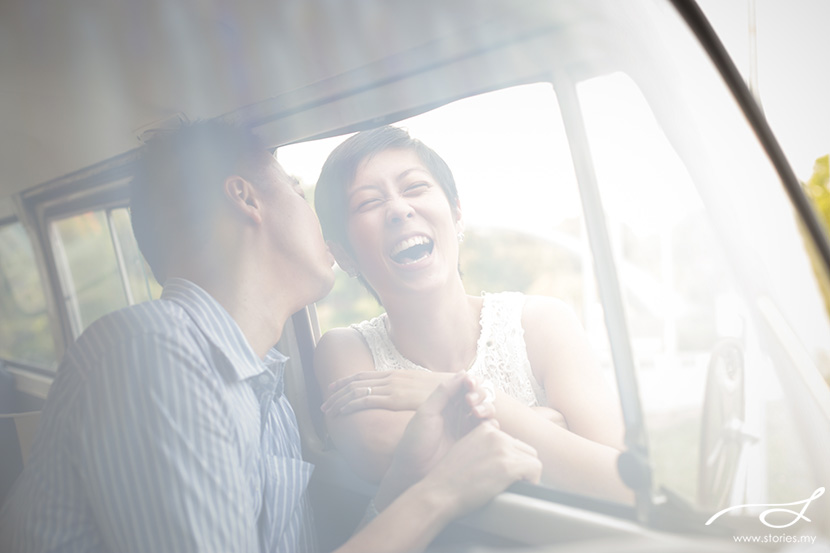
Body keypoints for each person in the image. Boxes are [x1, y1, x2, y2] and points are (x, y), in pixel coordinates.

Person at [0, 120, 542, 553]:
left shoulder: (267, 396)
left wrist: (407, 478)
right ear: (246, 199)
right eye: (298, 192)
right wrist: (440, 495)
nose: (324, 227)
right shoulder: (150, 354)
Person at [313, 125, 632, 503]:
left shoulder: (542, 323)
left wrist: (448, 391)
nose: (399, 209)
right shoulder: (345, 350)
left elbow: (622, 484)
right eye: (368, 203)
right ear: (344, 255)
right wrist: (547, 425)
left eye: (414, 187)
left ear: (457, 213)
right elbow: (378, 453)